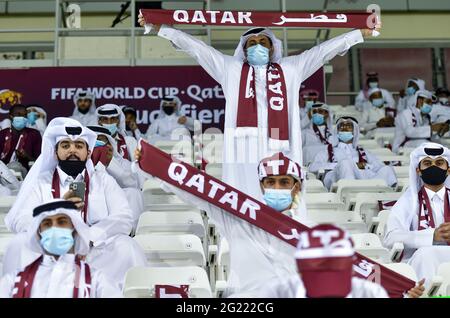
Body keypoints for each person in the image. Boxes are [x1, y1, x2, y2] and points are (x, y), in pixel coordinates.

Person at [138, 13, 380, 200]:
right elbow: (197, 48)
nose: (257, 46)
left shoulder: (291, 68)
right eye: (251, 43)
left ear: (273, 47)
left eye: (262, 41)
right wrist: (162, 28)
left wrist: (358, 33)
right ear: (242, 50)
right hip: (243, 150)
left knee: (282, 201)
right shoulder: (230, 70)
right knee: (243, 199)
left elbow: (323, 52)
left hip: (280, 147)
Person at [135, 148, 313, 296]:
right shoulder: (239, 215)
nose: (276, 188)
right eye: (270, 182)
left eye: (284, 182)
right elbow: (194, 189)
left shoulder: (309, 230)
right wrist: (152, 164)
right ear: (261, 185)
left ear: (296, 187)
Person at [3, 117, 146, 287]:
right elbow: (22, 218)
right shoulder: (41, 182)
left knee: (127, 246)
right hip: (51, 249)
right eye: (65, 146)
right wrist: (53, 232)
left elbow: (123, 217)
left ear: (89, 153)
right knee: (21, 245)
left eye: (79, 146)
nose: (72, 150)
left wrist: (88, 237)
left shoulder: (103, 180)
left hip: (94, 251)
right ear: (55, 153)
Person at [0, 200, 122, 298]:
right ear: (39, 232)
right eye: (47, 224)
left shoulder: (97, 281)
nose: (54, 228)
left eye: (61, 222)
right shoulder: (13, 280)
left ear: (74, 229)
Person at [384, 143, 450, 288]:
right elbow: (390, 238)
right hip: (420, 259)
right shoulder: (408, 201)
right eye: (427, 163)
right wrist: (432, 236)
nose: (434, 167)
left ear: (448, 170)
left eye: (439, 163)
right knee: (427, 254)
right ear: (418, 170)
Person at [309, 117, 397, 190]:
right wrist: (337, 165)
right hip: (337, 179)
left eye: (348, 127)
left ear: (354, 132)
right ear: (337, 132)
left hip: (363, 179)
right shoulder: (328, 151)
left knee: (387, 169)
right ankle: (351, 191)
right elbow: (313, 167)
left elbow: (378, 165)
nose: (344, 128)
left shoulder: (363, 152)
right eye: (341, 127)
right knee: (345, 163)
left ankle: (380, 192)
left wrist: (365, 166)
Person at [88, 125, 144, 229]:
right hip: (88, 206)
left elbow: (133, 183)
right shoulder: (77, 161)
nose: (95, 144)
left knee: (133, 193)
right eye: (92, 140)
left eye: (100, 140)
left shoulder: (120, 162)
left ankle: (132, 233)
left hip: (113, 208)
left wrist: (109, 163)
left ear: (109, 144)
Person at [0, 104, 42, 174]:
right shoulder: (1, 134)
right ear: (11, 116)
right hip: (2, 173)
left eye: (25, 115)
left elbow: (40, 161)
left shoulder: (34, 134)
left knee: (15, 167)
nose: (22, 118)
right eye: (18, 115)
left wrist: (26, 156)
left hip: (25, 174)